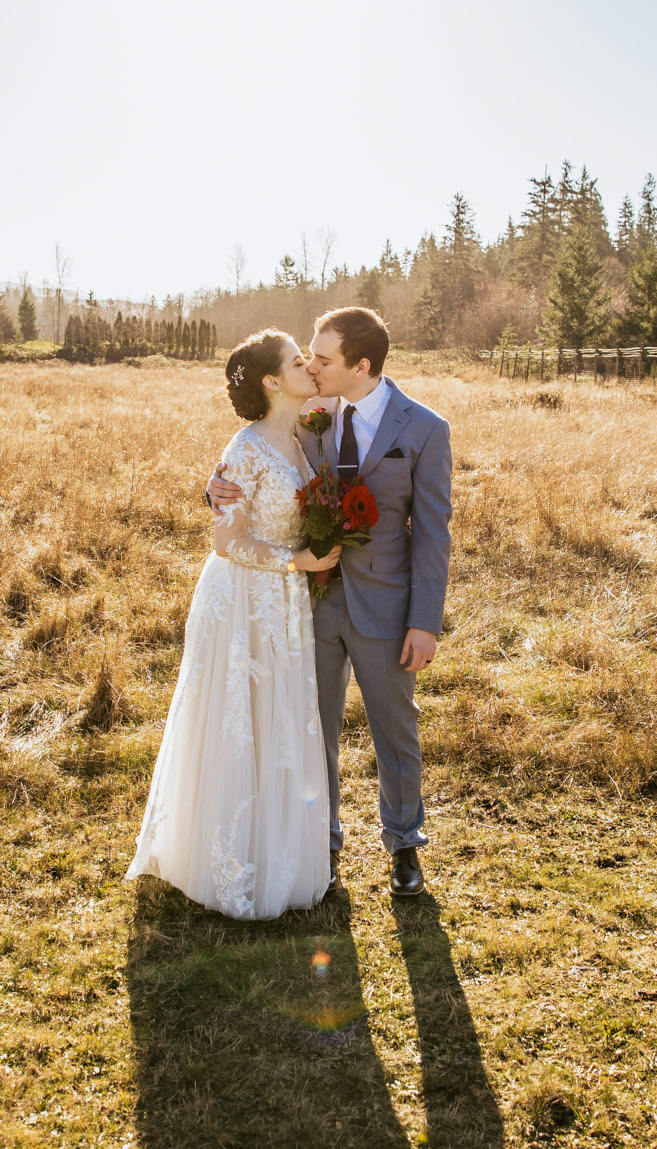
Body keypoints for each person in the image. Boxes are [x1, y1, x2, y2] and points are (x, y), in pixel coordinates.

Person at [207, 307, 453, 898]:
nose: (312, 367)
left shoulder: (423, 429)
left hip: (388, 610)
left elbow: (433, 532)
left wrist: (425, 622)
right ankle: (324, 839)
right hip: (307, 603)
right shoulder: (310, 418)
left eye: (323, 359)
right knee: (310, 728)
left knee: (394, 729)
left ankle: (403, 845)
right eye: (308, 357)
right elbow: (260, 467)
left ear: (360, 366)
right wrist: (213, 489)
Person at [127, 331, 340, 920]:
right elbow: (225, 539)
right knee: (234, 717)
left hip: (284, 600)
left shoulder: (306, 435)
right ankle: (221, 857)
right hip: (242, 596)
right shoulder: (246, 447)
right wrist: (296, 561)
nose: (309, 367)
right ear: (272, 381)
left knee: (276, 716)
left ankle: (278, 849)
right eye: (299, 361)